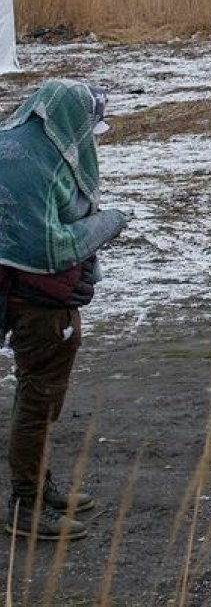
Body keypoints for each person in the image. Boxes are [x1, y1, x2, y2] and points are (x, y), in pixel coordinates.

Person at [0, 80, 128, 541]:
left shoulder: (14, 142)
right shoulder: (38, 164)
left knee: (41, 395)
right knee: (38, 396)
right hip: (38, 301)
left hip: (24, 294)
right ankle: (25, 505)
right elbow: (50, 247)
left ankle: (39, 484)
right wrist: (107, 223)